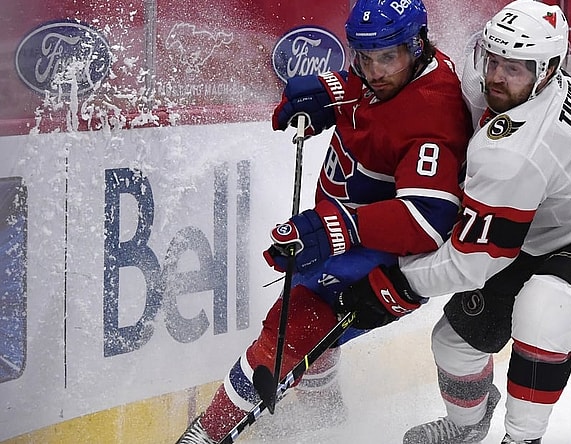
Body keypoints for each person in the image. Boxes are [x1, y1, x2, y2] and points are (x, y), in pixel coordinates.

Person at [334, 1, 571, 443]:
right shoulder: (523, 84)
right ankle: (466, 426)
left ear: (548, 70)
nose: (495, 76)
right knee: (454, 344)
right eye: (492, 60)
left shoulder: (516, 152)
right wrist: (332, 92)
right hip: (544, 227)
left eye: (513, 68)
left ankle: (522, 439)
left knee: (544, 307)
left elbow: (475, 261)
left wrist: (396, 281)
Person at [175, 0, 472, 442]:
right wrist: (333, 92)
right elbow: (367, 94)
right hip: (348, 234)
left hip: (385, 258)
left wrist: (337, 227)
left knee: (291, 329)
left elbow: (427, 220)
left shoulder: (433, 114)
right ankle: (323, 413)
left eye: (386, 57)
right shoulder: (396, 73)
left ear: (417, 45)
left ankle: (206, 435)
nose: (373, 72)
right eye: (363, 58)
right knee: (310, 325)